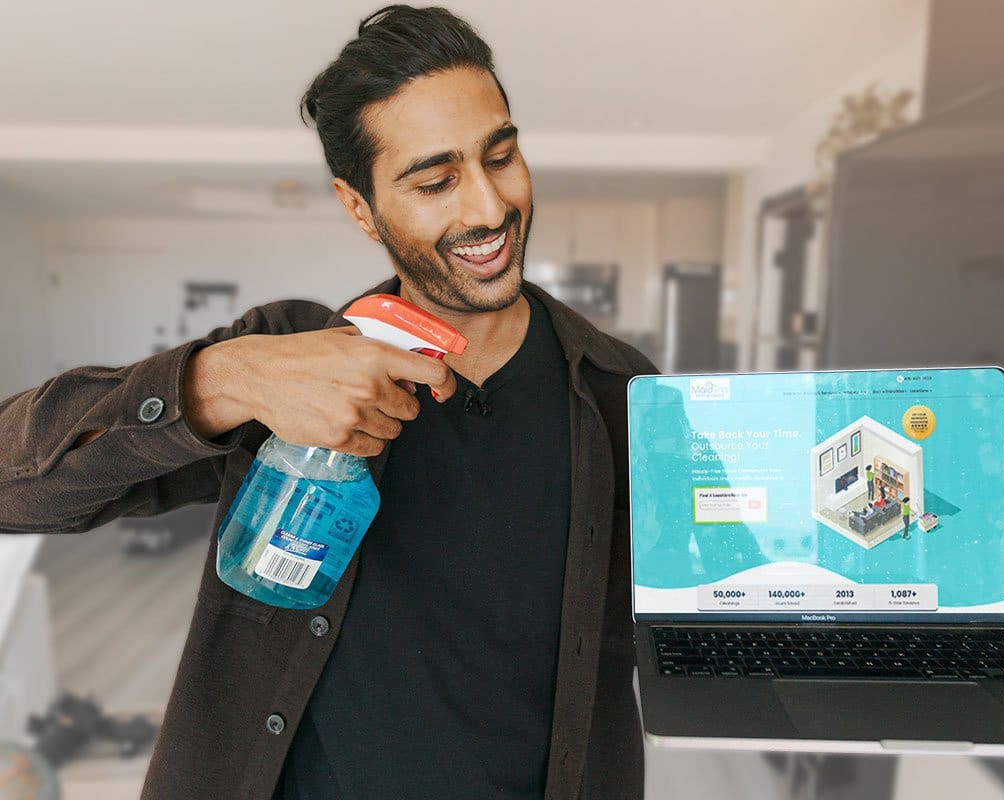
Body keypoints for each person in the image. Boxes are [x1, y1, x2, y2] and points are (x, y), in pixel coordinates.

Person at [0, 6, 654, 799]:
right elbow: (15, 486)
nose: (487, 208)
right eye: (435, 180)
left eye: (502, 156)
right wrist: (227, 378)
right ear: (359, 206)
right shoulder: (285, 354)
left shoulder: (623, 395)